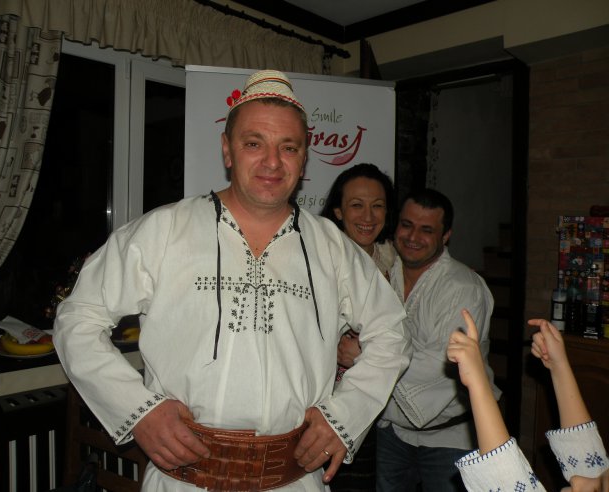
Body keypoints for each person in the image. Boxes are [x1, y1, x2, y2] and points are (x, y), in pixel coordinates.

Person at [53, 69, 412, 491]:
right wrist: (139, 410)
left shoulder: (332, 247)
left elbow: (392, 332)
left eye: (288, 147)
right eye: (253, 143)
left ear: (303, 159)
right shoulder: (164, 231)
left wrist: (345, 416)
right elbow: (77, 320)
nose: (272, 162)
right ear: (227, 150)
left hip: (295, 481)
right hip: (184, 481)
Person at [372, 188, 499, 492]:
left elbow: (443, 361)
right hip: (392, 432)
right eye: (406, 225)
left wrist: (364, 354)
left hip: (450, 437)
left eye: (426, 230)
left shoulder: (463, 287)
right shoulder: (384, 274)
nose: (413, 236)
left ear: (446, 236)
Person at [449, 312, 609, 491]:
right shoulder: (590, 477)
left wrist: (478, 381)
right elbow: (591, 462)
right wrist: (558, 365)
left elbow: (509, 485)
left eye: (596, 490)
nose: (577, 480)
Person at [320, 163, 397, 491]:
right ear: (338, 211)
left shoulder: (395, 262)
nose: (368, 216)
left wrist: (363, 352)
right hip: (327, 408)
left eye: (377, 205)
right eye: (356, 205)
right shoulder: (318, 260)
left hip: (381, 413)